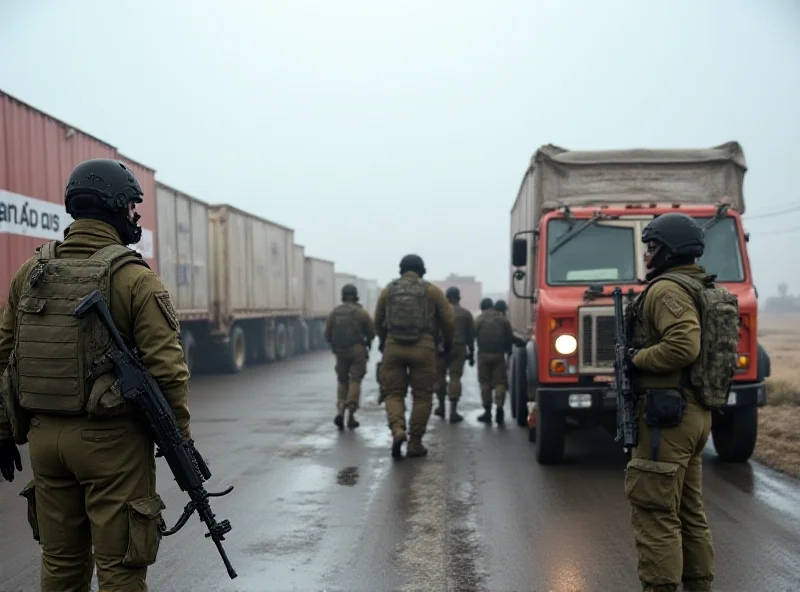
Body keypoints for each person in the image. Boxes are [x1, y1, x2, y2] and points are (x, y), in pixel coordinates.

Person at [0, 158, 191, 591]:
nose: (135, 217)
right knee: (120, 569)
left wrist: (2, 430)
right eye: (131, 208)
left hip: (45, 442)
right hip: (111, 447)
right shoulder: (135, 278)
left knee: (61, 565)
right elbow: (169, 371)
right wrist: (177, 436)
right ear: (116, 207)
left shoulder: (29, 273)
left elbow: (3, 355)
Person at [624, 212, 723, 592]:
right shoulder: (699, 286)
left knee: (656, 513)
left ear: (668, 250)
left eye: (651, 246)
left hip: (667, 416)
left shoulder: (667, 290)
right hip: (692, 413)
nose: (647, 254)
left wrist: (637, 359)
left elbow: (684, 344)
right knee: (687, 512)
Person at [374, 254, 455, 458]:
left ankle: (398, 430)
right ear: (422, 270)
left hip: (393, 347)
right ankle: (415, 442)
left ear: (401, 269)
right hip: (424, 348)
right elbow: (448, 321)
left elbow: (378, 319)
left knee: (392, 393)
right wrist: (447, 343)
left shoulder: (388, 290)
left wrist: (385, 341)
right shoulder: (432, 291)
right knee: (422, 396)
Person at [324, 283, 376, 429]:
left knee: (342, 380)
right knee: (355, 380)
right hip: (357, 350)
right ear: (356, 296)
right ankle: (351, 414)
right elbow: (372, 332)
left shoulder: (335, 312)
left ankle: (341, 407)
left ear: (343, 296)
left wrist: (334, 345)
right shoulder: (361, 313)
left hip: (340, 352)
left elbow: (327, 333)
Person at [433, 286, 475, 423]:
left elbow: (432, 331)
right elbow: (471, 336)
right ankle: (453, 411)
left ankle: (441, 407)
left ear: (446, 298)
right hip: (458, 348)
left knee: (439, 377)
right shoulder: (466, 314)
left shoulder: (438, 313)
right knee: (455, 378)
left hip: (441, 348)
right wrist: (471, 353)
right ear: (458, 298)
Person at [474, 297, 513, 424]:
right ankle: (500, 409)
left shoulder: (479, 319)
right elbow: (509, 338)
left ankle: (487, 412)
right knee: (500, 383)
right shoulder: (503, 320)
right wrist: (508, 351)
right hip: (499, 356)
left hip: (483, 356)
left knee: (485, 383)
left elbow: (472, 335)